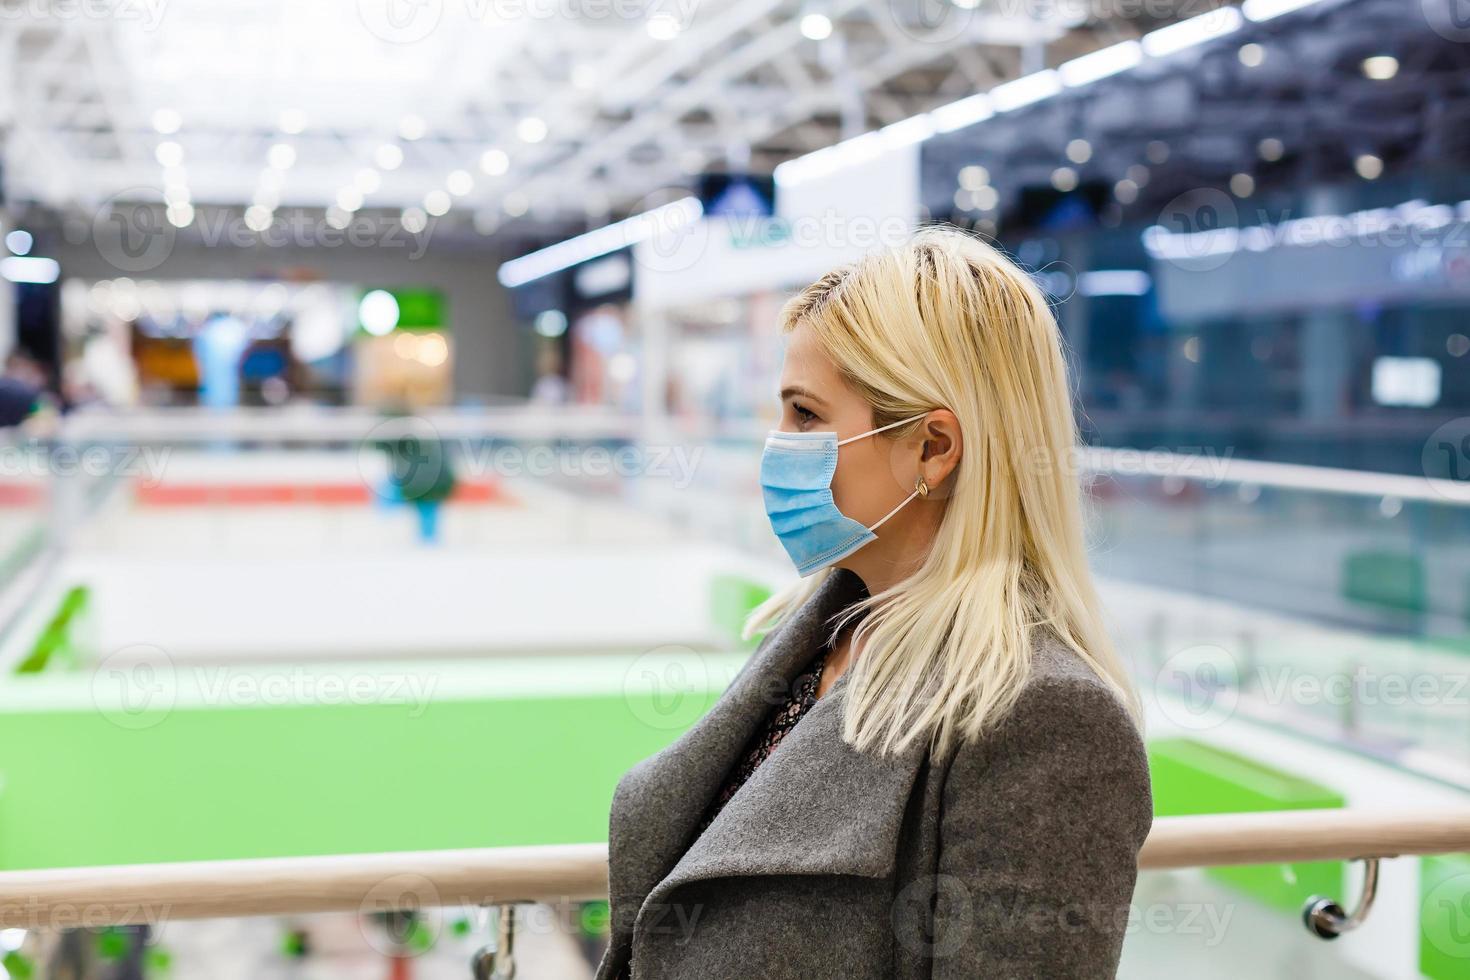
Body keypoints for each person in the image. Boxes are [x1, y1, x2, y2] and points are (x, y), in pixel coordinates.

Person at [598, 227, 1152, 980]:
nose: (777, 444)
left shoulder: (1045, 720)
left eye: (804, 415)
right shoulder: (823, 636)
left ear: (932, 448)